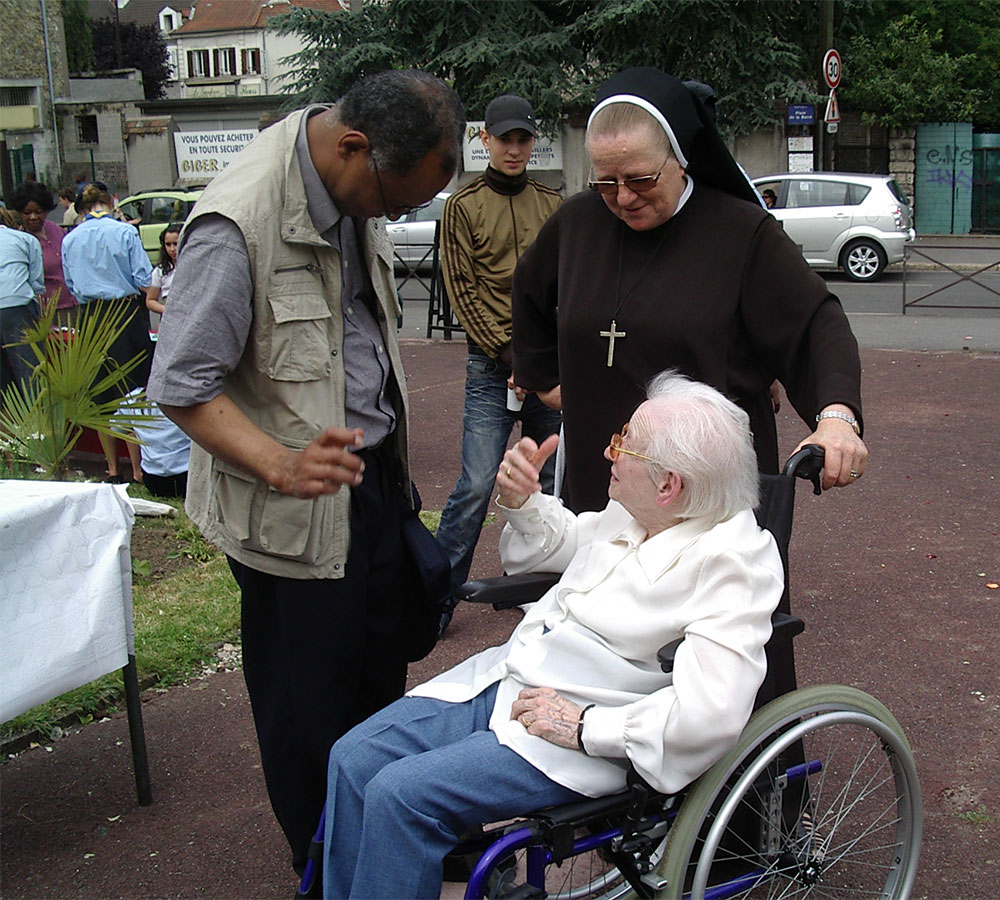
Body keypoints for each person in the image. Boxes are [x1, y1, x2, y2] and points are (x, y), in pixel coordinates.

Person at [146, 69, 465, 877]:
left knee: (379, 684)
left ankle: (383, 841)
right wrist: (280, 464)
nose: (395, 217)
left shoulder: (351, 179)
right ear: (353, 148)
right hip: (290, 510)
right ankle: (323, 868)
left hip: (371, 488)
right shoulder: (239, 221)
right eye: (393, 201)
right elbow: (180, 384)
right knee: (308, 710)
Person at [321, 371, 783, 899]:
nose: (611, 455)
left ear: (668, 485)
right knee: (352, 758)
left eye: (623, 445)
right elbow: (571, 540)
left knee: (400, 797)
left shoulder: (733, 563)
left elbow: (710, 714)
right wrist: (523, 501)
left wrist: (587, 727)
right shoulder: (641, 513)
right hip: (511, 681)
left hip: (578, 733)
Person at [512, 68, 868, 513]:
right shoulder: (576, 224)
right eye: (605, 182)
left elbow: (816, 324)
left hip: (707, 487)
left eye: (641, 179)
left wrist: (836, 418)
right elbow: (528, 289)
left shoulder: (741, 232)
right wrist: (543, 377)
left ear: (679, 159)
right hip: (601, 474)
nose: (623, 198)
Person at [435, 94, 563, 632]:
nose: (514, 149)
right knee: (475, 484)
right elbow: (462, 291)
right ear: (483, 139)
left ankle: (547, 590)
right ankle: (435, 601)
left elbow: (564, 283)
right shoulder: (461, 206)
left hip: (547, 369)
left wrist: (539, 358)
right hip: (491, 369)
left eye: (523, 139)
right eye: (503, 139)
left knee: (553, 481)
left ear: (533, 143)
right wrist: (512, 354)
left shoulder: (552, 204)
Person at [62, 183, 154, 482]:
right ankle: (138, 469)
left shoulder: (70, 239)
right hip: (124, 312)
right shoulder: (125, 232)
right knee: (132, 388)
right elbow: (142, 276)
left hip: (90, 316)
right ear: (109, 203)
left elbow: (72, 284)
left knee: (102, 393)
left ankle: (112, 467)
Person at [9, 181, 79, 327]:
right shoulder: (20, 241)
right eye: (27, 213)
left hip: (73, 305)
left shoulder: (55, 229)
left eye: (38, 212)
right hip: (45, 314)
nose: (33, 217)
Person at [0, 208, 44, 397]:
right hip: (17, 304)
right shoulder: (25, 240)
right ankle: (37, 419)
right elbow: (36, 283)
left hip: (14, 302)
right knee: (29, 368)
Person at [144, 223, 180, 316]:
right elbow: (150, 300)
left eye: (176, 244)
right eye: (168, 244)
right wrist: (165, 309)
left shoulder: (192, 265)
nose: (172, 249)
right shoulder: (160, 270)